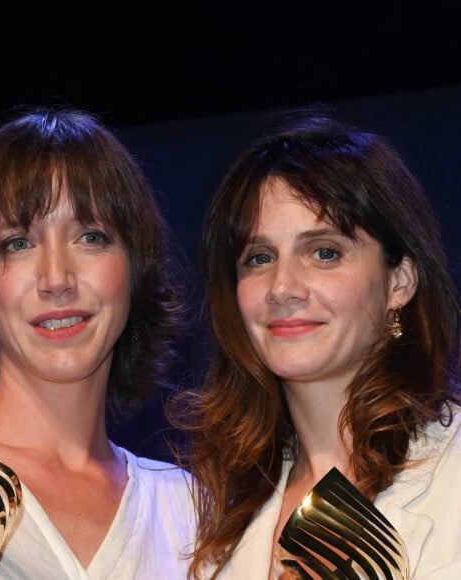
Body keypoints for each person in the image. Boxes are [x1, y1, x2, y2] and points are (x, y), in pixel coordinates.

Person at [0, 106, 197, 578]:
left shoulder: (191, 513)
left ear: (134, 270)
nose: (56, 279)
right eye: (18, 243)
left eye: (91, 236)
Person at [170, 112, 461, 578]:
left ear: (400, 282)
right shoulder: (219, 538)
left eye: (324, 252)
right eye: (259, 258)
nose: (282, 287)